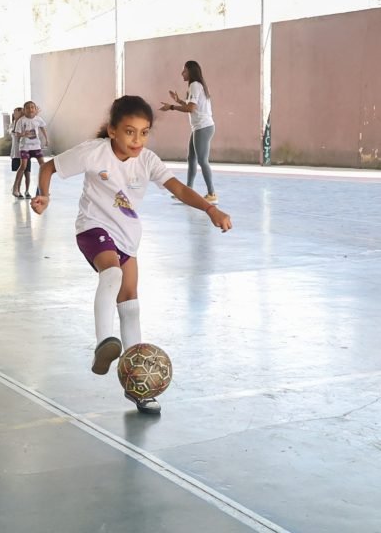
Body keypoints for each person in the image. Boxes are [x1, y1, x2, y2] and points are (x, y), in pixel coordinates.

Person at [30, 95, 232, 414]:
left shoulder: (147, 160)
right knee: (111, 273)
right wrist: (44, 196)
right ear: (112, 130)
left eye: (144, 132)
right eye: (129, 132)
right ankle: (103, 343)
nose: (137, 140)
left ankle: (138, 387)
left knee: (130, 304)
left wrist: (210, 209)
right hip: (92, 228)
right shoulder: (94, 152)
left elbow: (179, 188)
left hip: (127, 238)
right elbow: (48, 167)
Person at [159, 60, 218, 204]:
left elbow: (190, 109)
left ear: (191, 72)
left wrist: (171, 107)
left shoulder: (194, 85)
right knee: (191, 158)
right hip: (200, 127)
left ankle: (212, 194)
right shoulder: (197, 85)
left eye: (184, 70)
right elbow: (192, 106)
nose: (182, 73)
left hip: (203, 127)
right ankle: (188, 191)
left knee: (202, 160)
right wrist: (179, 100)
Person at [13, 100, 49, 199]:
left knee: (43, 166)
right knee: (23, 166)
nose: (30, 109)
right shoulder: (21, 120)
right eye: (28, 108)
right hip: (25, 147)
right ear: (24, 110)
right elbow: (16, 134)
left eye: (32, 107)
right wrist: (23, 134)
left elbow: (42, 128)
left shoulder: (38, 119)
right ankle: (15, 187)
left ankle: (42, 189)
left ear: (35, 109)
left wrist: (46, 139)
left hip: (36, 146)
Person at [8, 107, 31, 181]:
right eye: (16, 113)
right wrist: (17, 119)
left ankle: (26, 188)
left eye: (21, 113)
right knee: (19, 175)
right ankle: (17, 187)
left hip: (25, 152)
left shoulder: (26, 123)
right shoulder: (12, 125)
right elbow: (14, 132)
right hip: (16, 154)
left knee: (27, 174)